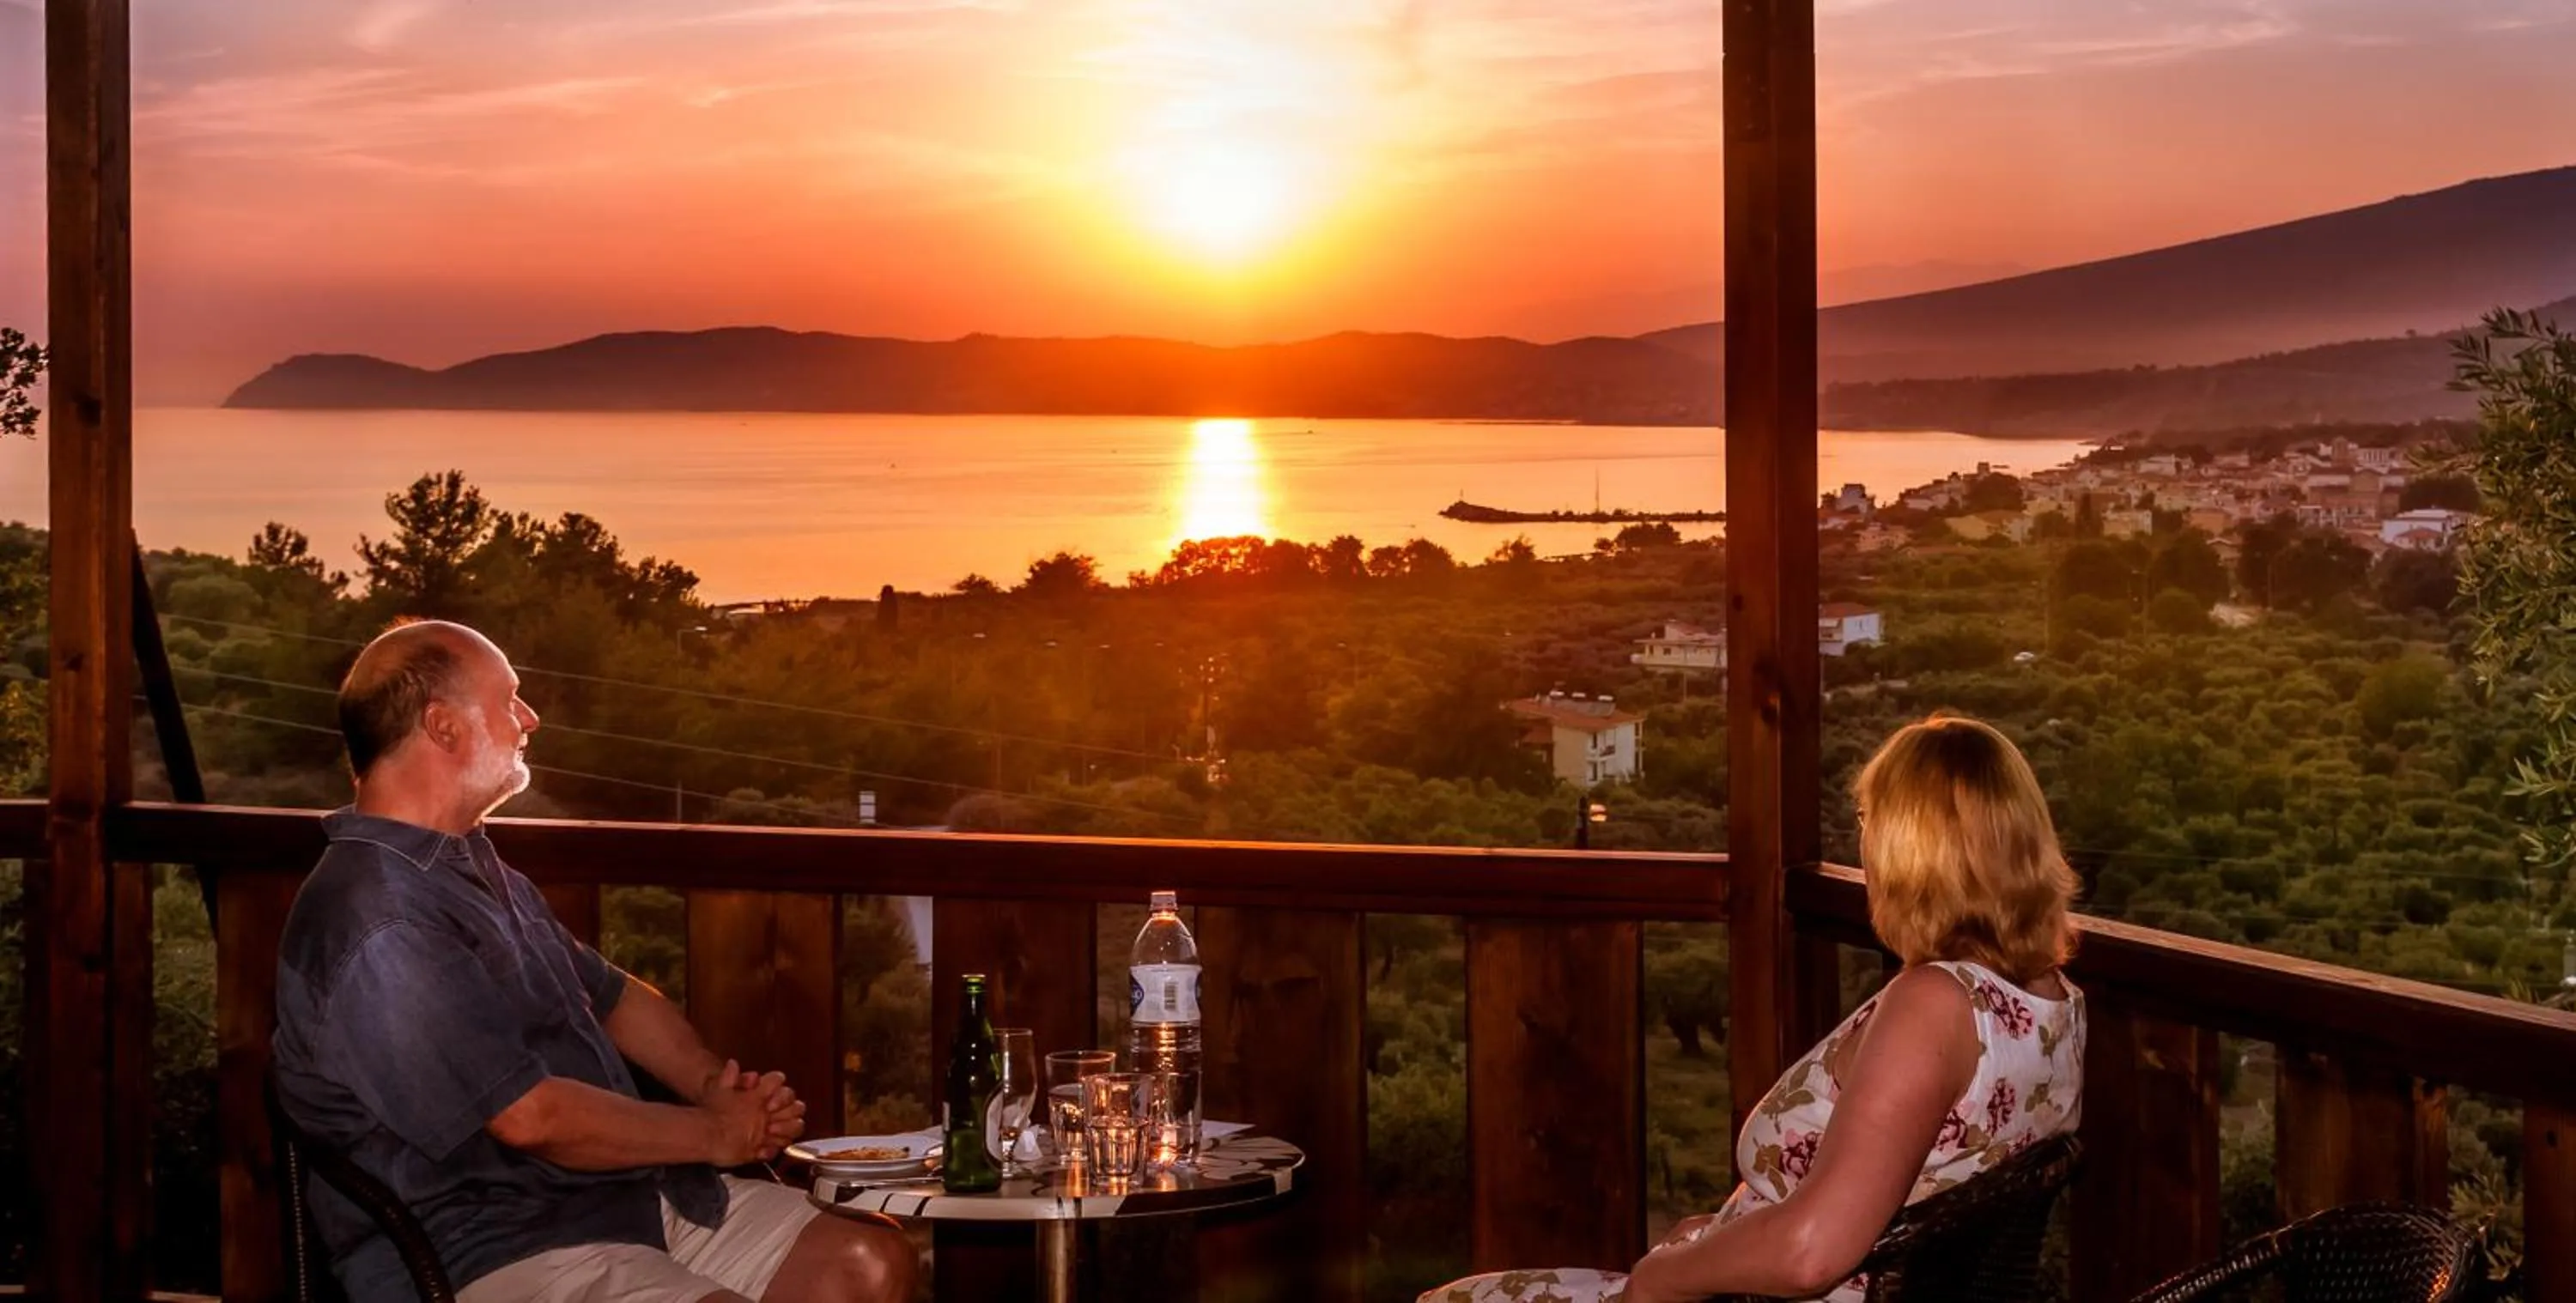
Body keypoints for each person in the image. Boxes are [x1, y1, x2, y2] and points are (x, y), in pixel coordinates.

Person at [272, 620, 916, 1303]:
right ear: (443, 727)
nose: (529, 718)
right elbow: (530, 1117)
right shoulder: (381, 918)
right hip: (490, 1251)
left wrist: (710, 1087)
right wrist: (712, 1133)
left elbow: (614, 999)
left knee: (865, 1257)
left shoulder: (467, 866)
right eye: (509, 699)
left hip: (615, 1200)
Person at [1425, 714, 2086, 1303]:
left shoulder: (1936, 1007)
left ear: (1905, 846)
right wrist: (1716, 1243)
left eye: (1867, 821)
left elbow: (1810, 1254)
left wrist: (1665, 1279)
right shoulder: (2053, 1005)